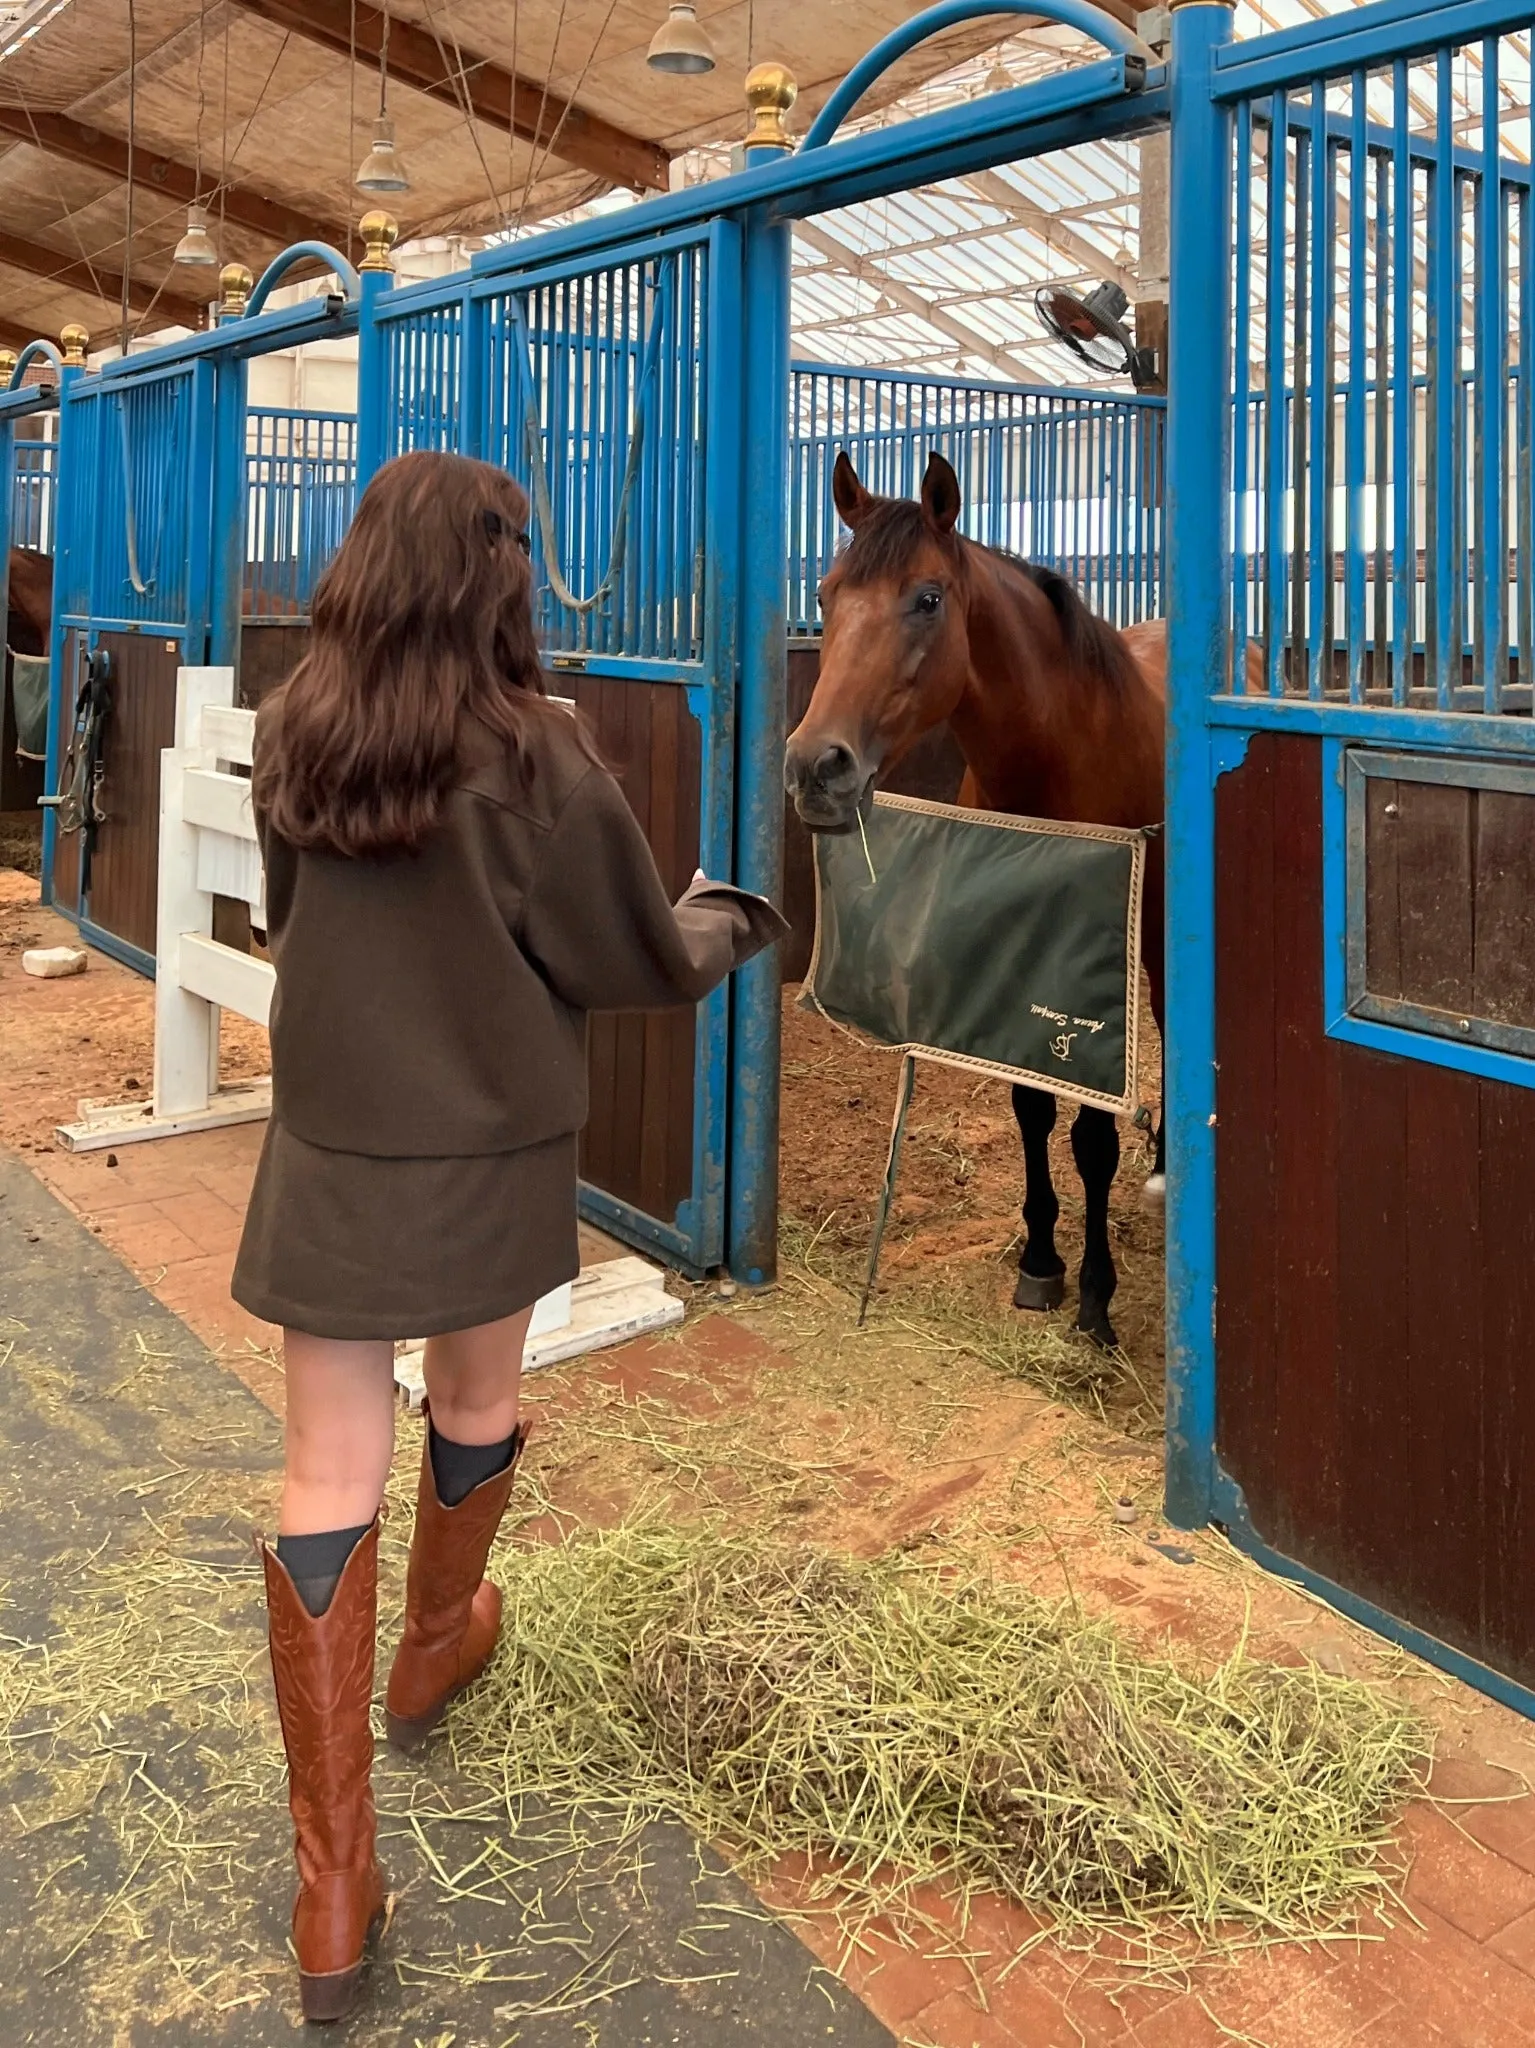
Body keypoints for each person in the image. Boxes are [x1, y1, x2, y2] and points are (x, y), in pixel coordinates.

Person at [232, 449, 785, 2024]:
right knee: (473, 1405)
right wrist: (737, 910)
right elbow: (633, 961)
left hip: (333, 1149)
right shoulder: (537, 753)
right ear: (495, 577)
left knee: (322, 1474)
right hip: (488, 1157)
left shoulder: (297, 730)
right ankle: (430, 1649)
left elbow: (286, 921)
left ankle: (333, 1882)